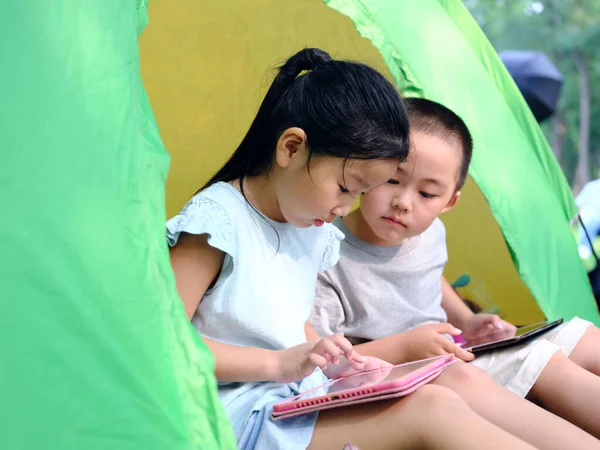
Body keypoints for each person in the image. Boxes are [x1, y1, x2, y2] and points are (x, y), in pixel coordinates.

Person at [167, 49, 534, 450]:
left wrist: (336, 361)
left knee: (447, 387)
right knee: (431, 410)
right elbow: (163, 340)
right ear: (291, 148)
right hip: (232, 413)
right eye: (345, 188)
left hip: (292, 396)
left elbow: (286, 325)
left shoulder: (309, 224)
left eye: (360, 193)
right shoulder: (216, 220)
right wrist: (278, 364)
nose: (345, 208)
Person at [311, 97, 600, 446]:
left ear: (449, 202)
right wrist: (406, 347)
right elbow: (319, 359)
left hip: (449, 352)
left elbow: (428, 276)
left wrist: (467, 320)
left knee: (580, 337)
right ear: (366, 168)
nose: (404, 202)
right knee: (541, 361)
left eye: (428, 193)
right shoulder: (327, 255)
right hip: (400, 375)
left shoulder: (429, 233)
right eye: (391, 180)